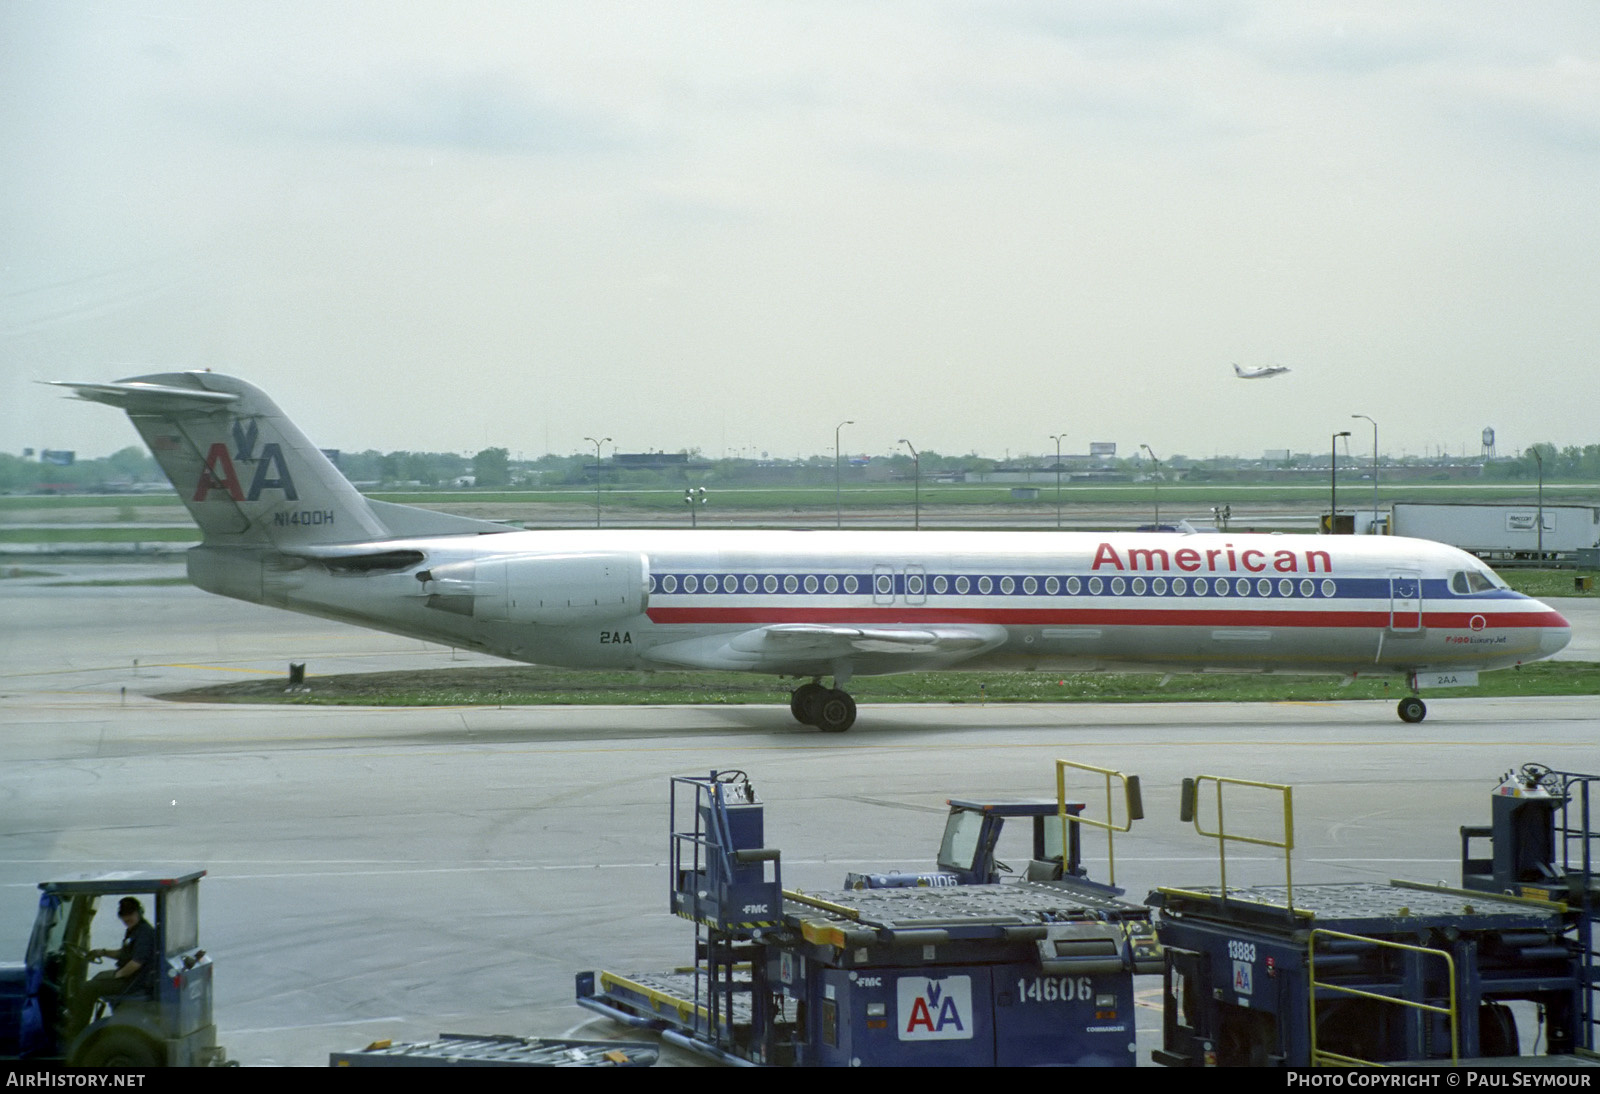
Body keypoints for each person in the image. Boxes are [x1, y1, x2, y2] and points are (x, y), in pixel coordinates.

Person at [72, 897, 158, 1030]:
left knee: (88, 988)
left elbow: (136, 963)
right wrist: (103, 952)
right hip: (131, 977)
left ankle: (77, 1029)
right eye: (124, 915)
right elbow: (124, 953)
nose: (127, 918)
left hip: (134, 981)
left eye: (130, 914)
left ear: (139, 913)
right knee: (99, 977)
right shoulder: (135, 930)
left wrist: (118, 975)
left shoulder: (144, 934)